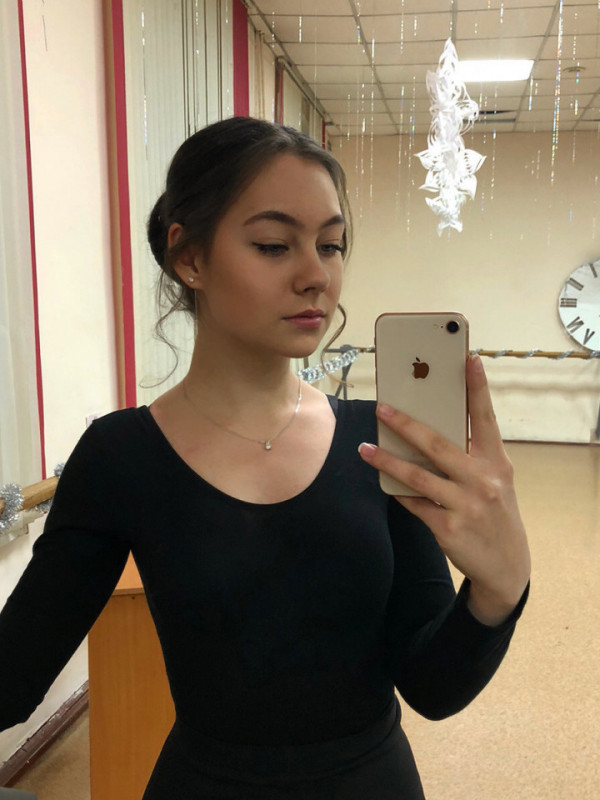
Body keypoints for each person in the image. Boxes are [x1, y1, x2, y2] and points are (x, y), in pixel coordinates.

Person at [0, 117, 530, 799]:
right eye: (275, 245)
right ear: (190, 258)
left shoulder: (378, 443)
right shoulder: (120, 456)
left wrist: (498, 590)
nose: (317, 276)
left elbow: (433, 686)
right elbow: (13, 680)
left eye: (332, 245)